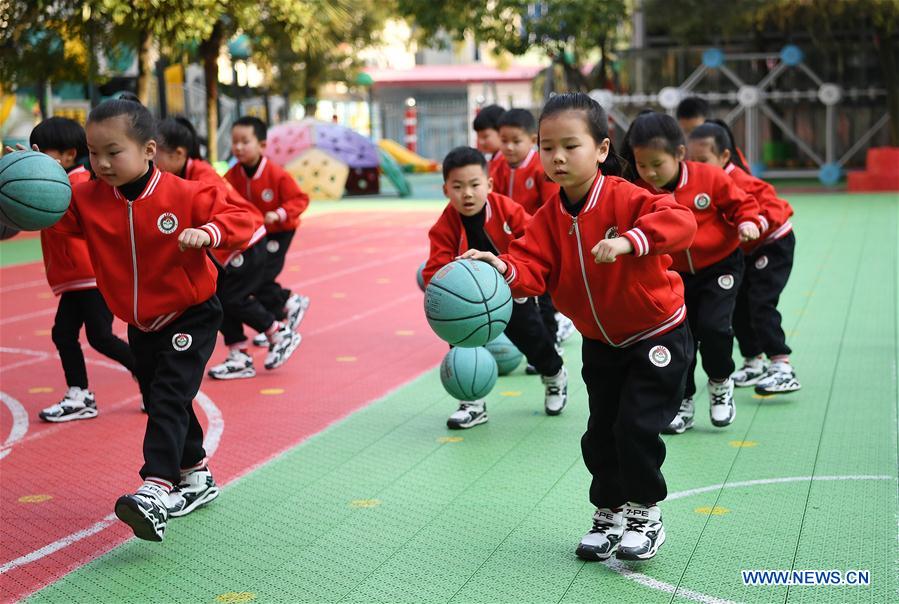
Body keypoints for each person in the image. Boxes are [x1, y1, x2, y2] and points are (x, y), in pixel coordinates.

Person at [462, 93, 697, 562]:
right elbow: (532, 266)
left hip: (656, 333)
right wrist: (500, 267)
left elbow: (680, 220)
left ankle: (645, 514)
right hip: (600, 342)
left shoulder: (626, 198)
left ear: (603, 150)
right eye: (548, 147)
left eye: (571, 145)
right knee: (600, 432)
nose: (558, 157)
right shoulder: (549, 216)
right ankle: (608, 513)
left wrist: (632, 242)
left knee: (634, 427)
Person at [43, 99, 256, 541]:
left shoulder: (185, 194)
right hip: (140, 324)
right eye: (92, 152)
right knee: (168, 396)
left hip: (190, 314)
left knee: (165, 397)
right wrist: (24, 185)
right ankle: (196, 476)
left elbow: (244, 218)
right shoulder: (85, 198)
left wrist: (209, 232)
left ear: (148, 150)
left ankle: (156, 487)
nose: (100, 163)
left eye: (113, 151)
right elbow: (47, 214)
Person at [626, 112, 762, 433]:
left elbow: (741, 204)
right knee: (680, 339)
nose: (650, 173)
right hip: (674, 274)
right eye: (642, 165)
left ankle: (719, 382)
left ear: (679, 154)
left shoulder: (709, 178)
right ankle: (682, 400)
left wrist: (747, 222)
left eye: (657, 164)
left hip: (720, 265)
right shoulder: (641, 191)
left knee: (713, 328)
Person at [422, 146, 568, 429]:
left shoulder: (507, 210)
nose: (467, 193)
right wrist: (450, 284)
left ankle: (554, 375)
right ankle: (472, 403)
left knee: (534, 343)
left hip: (511, 293)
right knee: (461, 348)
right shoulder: (445, 225)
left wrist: (510, 268)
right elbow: (434, 270)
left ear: (488, 184)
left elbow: (534, 242)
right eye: (458, 186)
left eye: (474, 185)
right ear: (445, 189)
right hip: (467, 305)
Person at [155, 117, 300, 378]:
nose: (152, 164)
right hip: (229, 245)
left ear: (178, 153)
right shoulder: (182, 175)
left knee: (232, 298)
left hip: (247, 240)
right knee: (218, 300)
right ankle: (239, 354)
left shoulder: (202, 176)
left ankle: (279, 332)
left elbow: (222, 212)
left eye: (155, 156)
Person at [28, 117, 136, 422]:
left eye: (40, 152)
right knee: (63, 334)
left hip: (93, 277)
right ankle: (80, 394)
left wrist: (28, 181)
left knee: (100, 336)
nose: (35, 158)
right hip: (75, 278)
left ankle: (150, 376)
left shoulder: (80, 186)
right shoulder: (54, 182)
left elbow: (64, 222)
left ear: (69, 155)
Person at [687, 121, 800, 394]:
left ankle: (782, 365)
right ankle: (753, 360)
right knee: (737, 305)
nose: (696, 166)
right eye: (692, 160)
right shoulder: (699, 181)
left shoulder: (739, 179)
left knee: (760, 302)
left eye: (703, 160)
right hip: (742, 252)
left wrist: (756, 223)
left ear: (724, 157)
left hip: (772, 244)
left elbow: (775, 205)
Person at [490, 108, 574, 351]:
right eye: (504, 141)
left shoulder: (540, 168)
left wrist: (543, 237)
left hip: (539, 243)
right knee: (521, 297)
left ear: (531, 140)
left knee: (543, 295)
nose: (509, 147)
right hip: (512, 244)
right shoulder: (499, 168)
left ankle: (552, 339)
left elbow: (550, 205)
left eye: (516, 141)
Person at [225, 116, 310, 348]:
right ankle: (278, 318)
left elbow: (300, 199)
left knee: (259, 278)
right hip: (254, 238)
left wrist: (279, 213)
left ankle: (289, 301)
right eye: (235, 142)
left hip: (278, 233)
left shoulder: (276, 174)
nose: (239, 147)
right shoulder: (231, 177)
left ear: (262, 145)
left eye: (245, 141)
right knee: (250, 280)